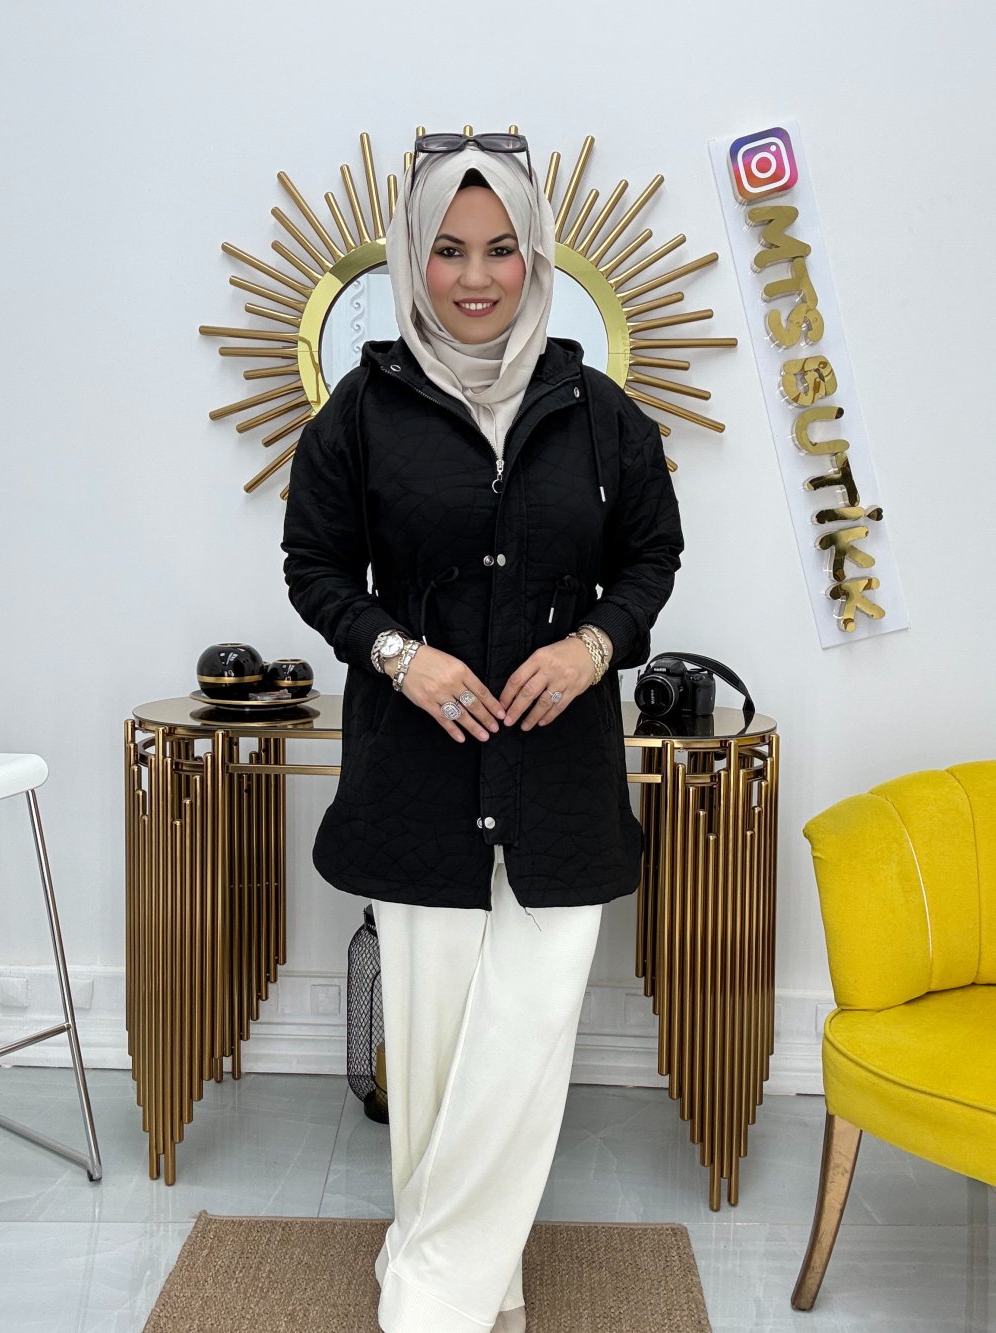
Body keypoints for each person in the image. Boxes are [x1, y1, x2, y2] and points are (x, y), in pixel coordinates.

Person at [281, 131, 684, 1333]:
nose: (474, 277)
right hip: (418, 775)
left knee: (522, 1039)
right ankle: (476, 1288)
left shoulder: (602, 415)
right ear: (412, 258)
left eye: (500, 249)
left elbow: (651, 557)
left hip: (560, 780)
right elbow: (313, 568)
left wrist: (595, 645)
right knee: (434, 1043)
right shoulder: (361, 410)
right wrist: (398, 656)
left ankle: (425, 1294)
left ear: (534, 257)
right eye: (448, 250)